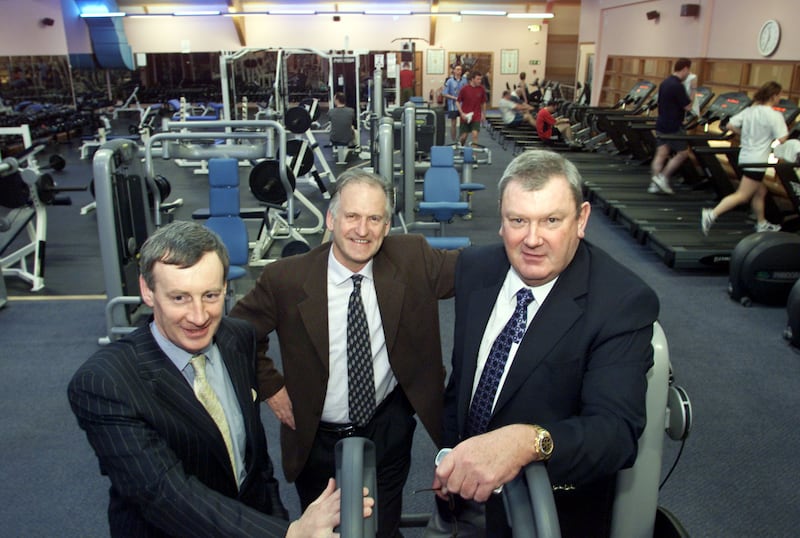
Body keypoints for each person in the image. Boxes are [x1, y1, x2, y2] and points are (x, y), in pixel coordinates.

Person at [68, 221, 373, 538]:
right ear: (147, 290)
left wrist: (279, 523)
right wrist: (288, 535)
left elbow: (255, 466)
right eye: (180, 298)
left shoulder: (237, 338)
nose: (199, 317)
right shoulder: (105, 382)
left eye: (210, 295)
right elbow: (165, 495)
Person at [425, 149, 659, 538]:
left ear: (581, 219)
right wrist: (452, 457)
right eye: (518, 220)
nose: (532, 239)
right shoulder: (475, 269)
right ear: (501, 217)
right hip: (460, 494)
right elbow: (465, 382)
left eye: (551, 220)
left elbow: (615, 433)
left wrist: (528, 441)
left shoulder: (621, 302)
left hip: (544, 512)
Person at [230, 169, 459, 538]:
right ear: (332, 219)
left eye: (374, 219)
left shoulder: (413, 257)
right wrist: (270, 386)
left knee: (380, 528)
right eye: (352, 216)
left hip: (387, 426)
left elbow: (474, 270)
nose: (362, 230)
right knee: (327, 531)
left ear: (387, 227)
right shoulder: (286, 279)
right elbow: (235, 334)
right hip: (316, 437)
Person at [702, 81, 789, 235]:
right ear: (774, 96)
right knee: (742, 195)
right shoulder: (774, 115)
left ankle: (761, 223)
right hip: (757, 161)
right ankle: (712, 214)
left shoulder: (750, 111)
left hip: (745, 157)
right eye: (779, 95)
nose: (779, 98)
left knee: (760, 191)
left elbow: (729, 125)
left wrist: (745, 135)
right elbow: (783, 138)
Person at [650, 58, 694, 195]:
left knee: (661, 154)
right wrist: (694, 89)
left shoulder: (665, 82)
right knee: (683, 153)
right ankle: (662, 177)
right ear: (685, 69)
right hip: (674, 126)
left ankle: (654, 184)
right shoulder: (677, 85)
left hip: (662, 123)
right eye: (689, 70)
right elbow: (688, 106)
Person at [456, 71, 487, 147]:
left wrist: (483, 114)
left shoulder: (481, 89)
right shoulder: (464, 89)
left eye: (480, 79)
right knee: (464, 137)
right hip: (465, 115)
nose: (480, 81)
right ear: (472, 79)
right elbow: (457, 102)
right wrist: (462, 113)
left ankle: (474, 155)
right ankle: (460, 147)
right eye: (478, 79)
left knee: (475, 135)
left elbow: (483, 103)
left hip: (476, 115)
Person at [442, 64, 467, 143]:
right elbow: (444, 93)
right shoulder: (449, 81)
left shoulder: (465, 81)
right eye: (457, 69)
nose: (459, 71)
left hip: (463, 105)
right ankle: (454, 141)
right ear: (454, 71)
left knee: (464, 123)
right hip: (453, 105)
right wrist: (455, 98)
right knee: (453, 123)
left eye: (460, 69)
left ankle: (461, 141)